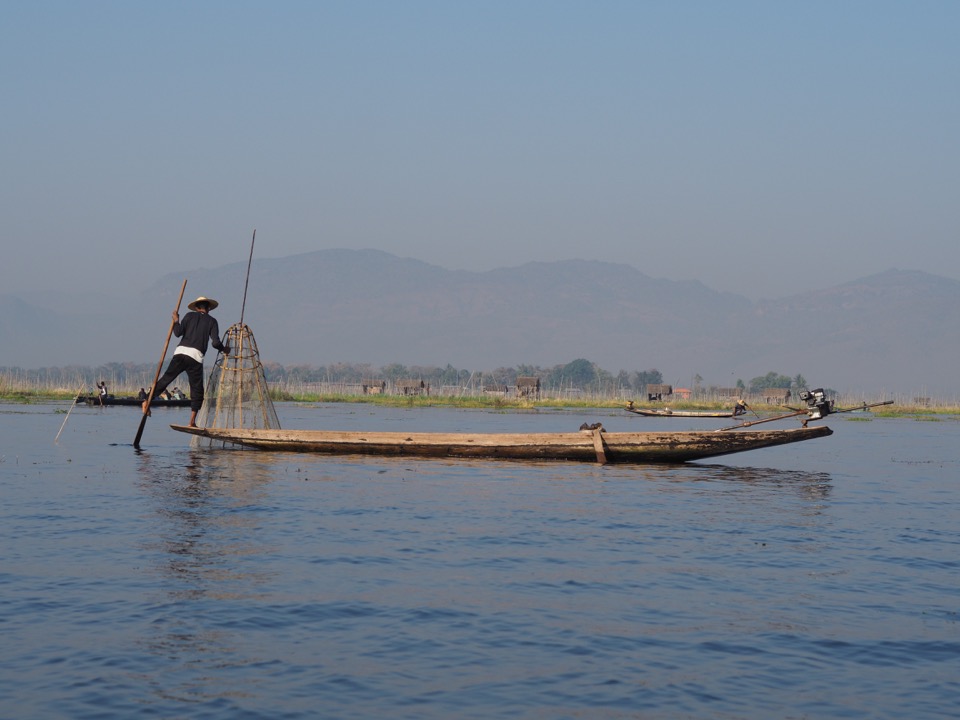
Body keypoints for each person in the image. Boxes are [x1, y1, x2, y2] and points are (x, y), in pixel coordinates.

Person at [143, 295, 230, 427]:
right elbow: (215, 343)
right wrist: (224, 349)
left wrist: (176, 321)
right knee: (197, 390)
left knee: (166, 379)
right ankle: (191, 421)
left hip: (180, 353)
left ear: (196, 308)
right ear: (209, 309)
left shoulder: (189, 316)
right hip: (195, 357)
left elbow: (177, 333)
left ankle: (146, 401)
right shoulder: (212, 321)